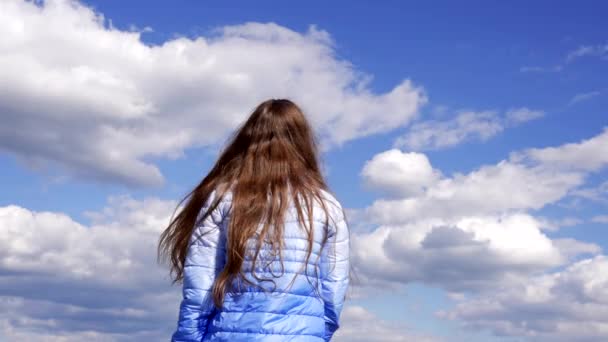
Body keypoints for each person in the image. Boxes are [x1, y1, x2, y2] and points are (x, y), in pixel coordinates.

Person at [158, 98, 351, 341]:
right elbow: (333, 291)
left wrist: (188, 337)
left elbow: (201, 284)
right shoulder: (327, 206)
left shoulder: (224, 198)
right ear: (303, 144)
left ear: (248, 141)